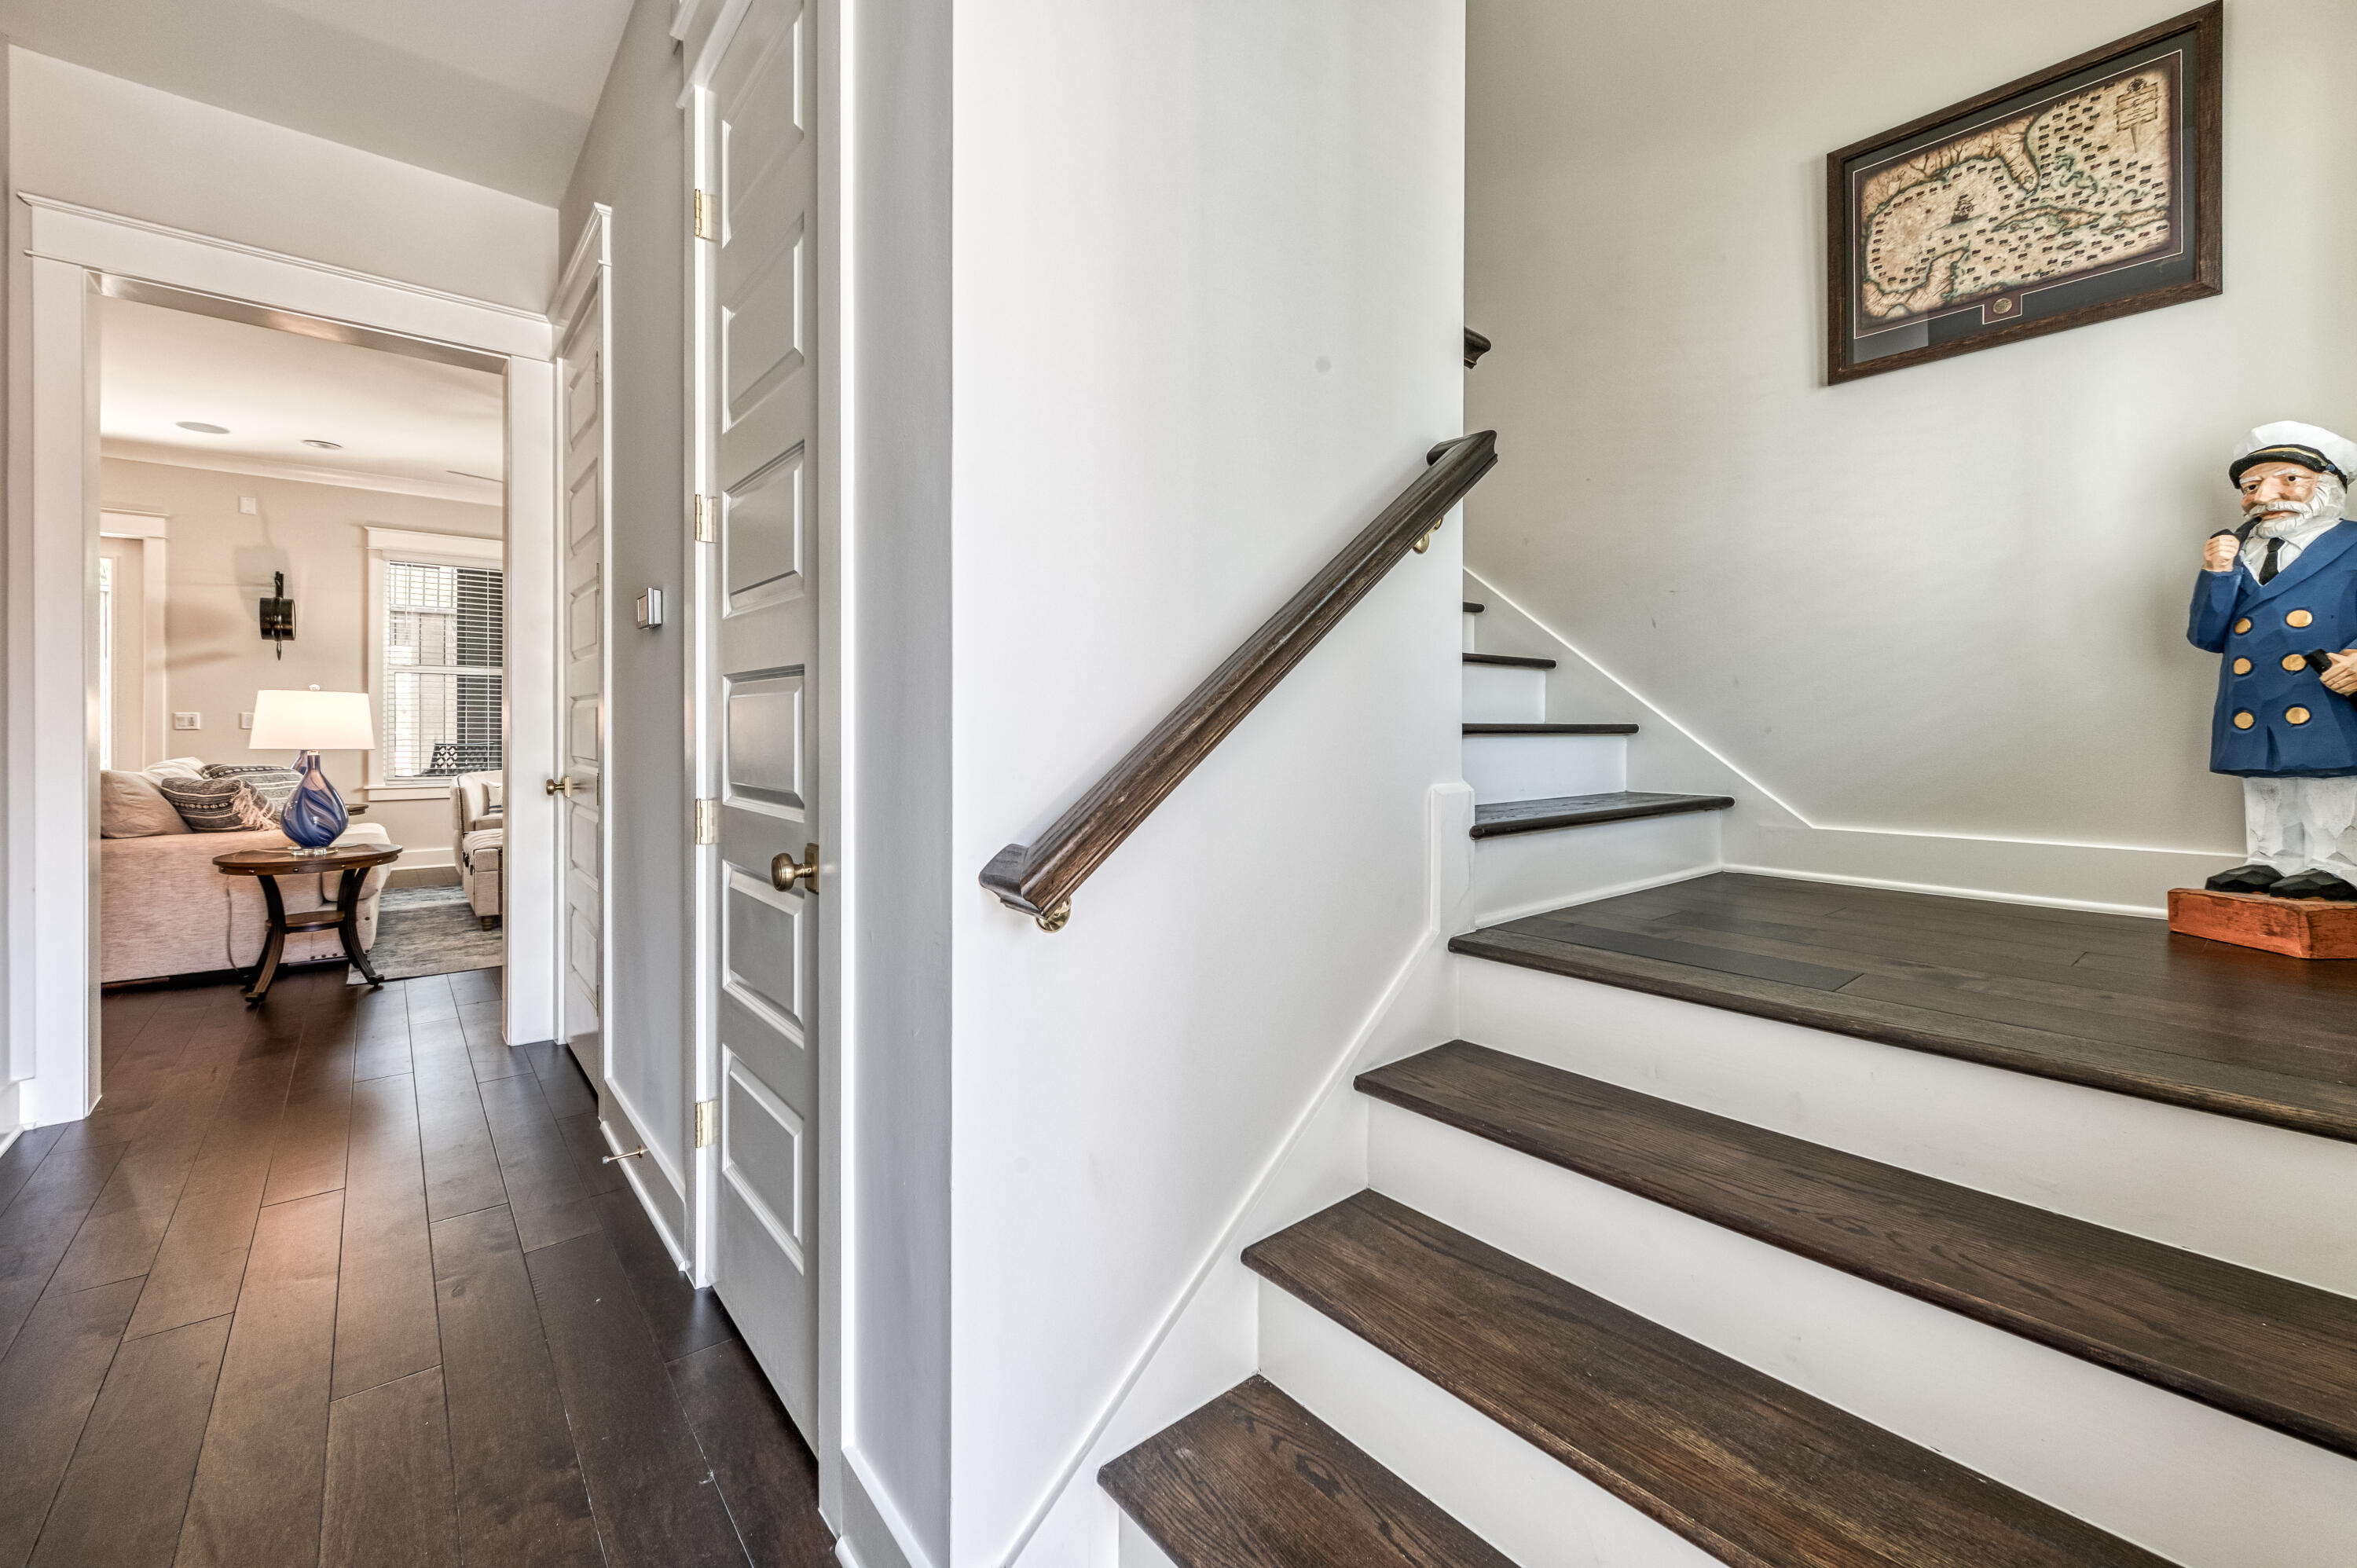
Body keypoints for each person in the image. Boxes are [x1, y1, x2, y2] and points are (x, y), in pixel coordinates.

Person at [2189, 421, 2357, 900]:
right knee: (2265, 777)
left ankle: (2338, 864)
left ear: (2327, 485)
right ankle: (2270, 859)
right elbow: (2206, 635)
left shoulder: (2354, 543)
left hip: (2326, 686)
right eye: (2251, 485)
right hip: (2255, 691)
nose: (2266, 495)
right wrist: (2217, 573)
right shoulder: (2237, 550)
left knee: (2328, 775)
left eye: (2288, 479)